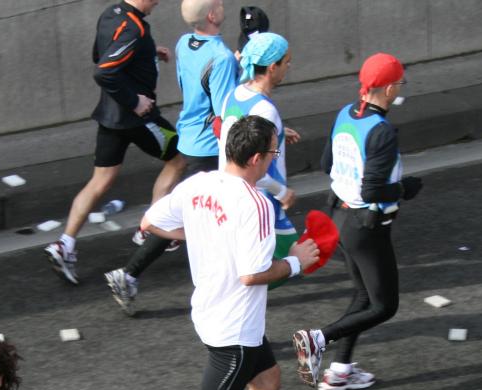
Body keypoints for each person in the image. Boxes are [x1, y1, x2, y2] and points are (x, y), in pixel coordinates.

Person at [109, 115, 321, 390]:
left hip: (210, 312)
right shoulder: (257, 204)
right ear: (258, 158)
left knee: (267, 382)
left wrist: (202, 236)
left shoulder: (198, 185)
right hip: (235, 330)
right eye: (275, 152)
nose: (274, 160)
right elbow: (253, 274)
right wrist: (298, 260)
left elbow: (150, 222)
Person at [290, 53, 420, 390]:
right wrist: (407, 188)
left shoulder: (346, 113)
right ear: (390, 89)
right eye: (400, 84)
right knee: (383, 305)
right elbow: (374, 189)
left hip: (337, 217)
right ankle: (318, 339)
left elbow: (326, 163)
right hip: (365, 225)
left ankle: (339, 372)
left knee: (363, 296)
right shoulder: (382, 131)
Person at [105, 0, 241, 317]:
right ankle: (128, 274)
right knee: (199, 215)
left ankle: (131, 274)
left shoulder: (184, 43)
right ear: (211, 15)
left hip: (190, 134)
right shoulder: (220, 58)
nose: (222, 5)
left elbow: (195, 82)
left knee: (193, 211)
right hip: (209, 146)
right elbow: (224, 111)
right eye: (218, 3)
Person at [46, 0, 185, 286]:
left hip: (110, 116)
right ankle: (152, 227)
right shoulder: (133, 28)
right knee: (179, 156)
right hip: (138, 118)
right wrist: (135, 101)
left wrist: (147, 55)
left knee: (100, 181)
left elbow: (102, 52)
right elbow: (104, 70)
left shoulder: (112, 13)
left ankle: (64, 244)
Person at [218, 32, 301, 272]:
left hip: (230, 194)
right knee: (280, 266)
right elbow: (251, 166)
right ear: (273, 67)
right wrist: (282, 191)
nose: (289, 67)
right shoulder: (265, 110)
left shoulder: (234, 95)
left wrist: (279, 131)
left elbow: (241, 135)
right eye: (286, 62)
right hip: (258, 200)